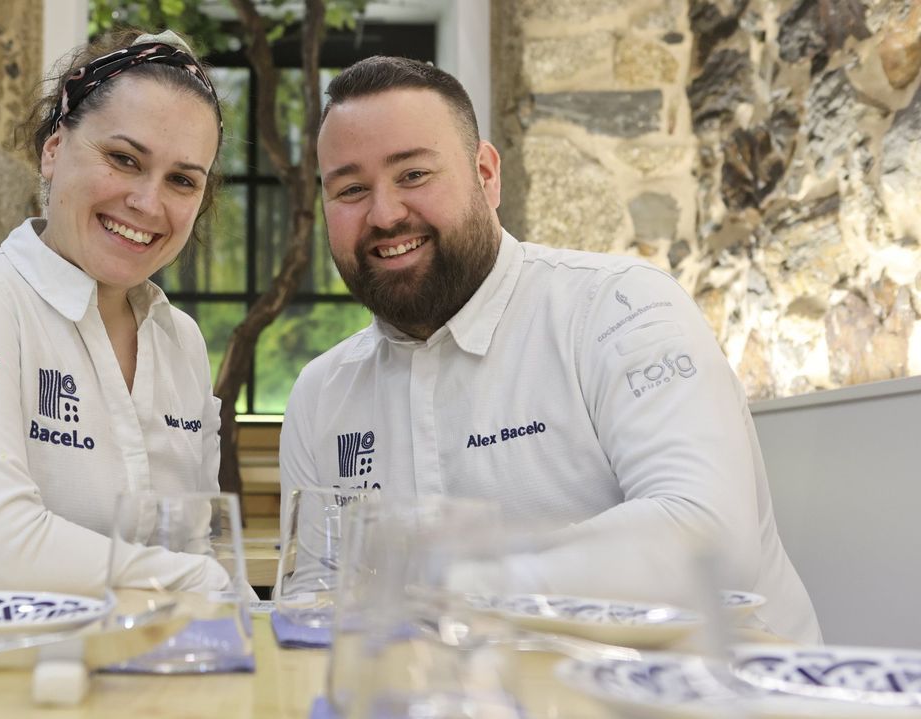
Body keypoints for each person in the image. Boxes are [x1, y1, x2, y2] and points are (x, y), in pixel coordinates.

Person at [280, 56, 821, 643]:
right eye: (352, 189)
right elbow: (316, 608)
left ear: (486, 175)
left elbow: (710, 541)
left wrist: (456, 589)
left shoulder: (619, 309)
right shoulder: (321, 392)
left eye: (413, 175)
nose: (384, 214)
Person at [0, 29, 231, 597]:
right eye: (123, 159)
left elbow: (192, 543)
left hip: (139, 675)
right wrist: (208, 582)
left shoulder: (181, 340)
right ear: (53, 149)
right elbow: (2, 555)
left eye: (182, 180)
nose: (148, 202)